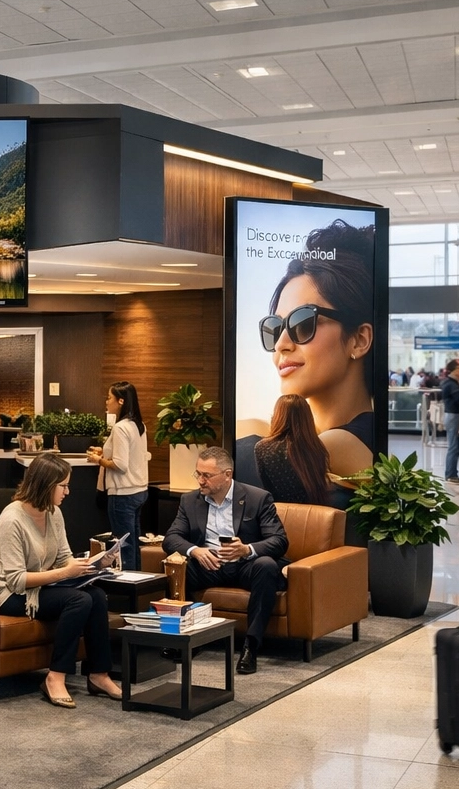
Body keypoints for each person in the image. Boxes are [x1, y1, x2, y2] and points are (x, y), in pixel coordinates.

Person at [0, 453, 122, 707]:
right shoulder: (11, 519)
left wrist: (91, 566)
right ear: (45, 485)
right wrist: (65, 573)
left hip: (43, 587)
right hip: (9, 595)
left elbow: (63, 557)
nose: (67, 492)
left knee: (97, 596)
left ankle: (99, 674)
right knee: (79, 601)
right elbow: (15, 580)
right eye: (63, 486)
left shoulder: (53, 513)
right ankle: (55, 676)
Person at [246, 220, 377, 481]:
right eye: (275, 327)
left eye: (302, 323)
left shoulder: (341, 444)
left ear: (359, 340)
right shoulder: (303, 436)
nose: (282, 343)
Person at [162, 446, 287, 676]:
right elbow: (171, 538)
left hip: (245, 566)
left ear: (227, 474)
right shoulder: (190, 501)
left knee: (266, 566)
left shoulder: (257, 498)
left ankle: (251, 646)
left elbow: (279, 541)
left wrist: (245, 549)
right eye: (198, 474)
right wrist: (195, 551)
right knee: (176, 567)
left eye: (206, 475)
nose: (200, 480)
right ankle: (187, 638)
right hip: (209, 564)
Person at [86, 381, 147, 570]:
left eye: (109, 397)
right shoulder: (139, 425)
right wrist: (104, 452)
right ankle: (138, 584)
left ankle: (127, 586)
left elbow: (120, 465)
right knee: (134, 543)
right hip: (139, 491)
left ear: (120, 401)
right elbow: (130, 455)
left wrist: (98, 460)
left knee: (123, 546)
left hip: (122, 494)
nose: (106, 401)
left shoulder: (120, 427)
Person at [254, 394, 331, 506]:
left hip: (280, 515)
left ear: (278, 416)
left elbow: (267, 489)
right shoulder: (315, 447)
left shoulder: (262, 447)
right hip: (314, 514)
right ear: (307, 419)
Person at [439, 359, 459, 484]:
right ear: (453, 370)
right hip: (454, 416)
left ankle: (452, 473)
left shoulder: (450, 383)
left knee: (456, 445)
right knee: (454, 446)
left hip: (452, 416)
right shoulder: (451, 384)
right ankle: (450, 474)